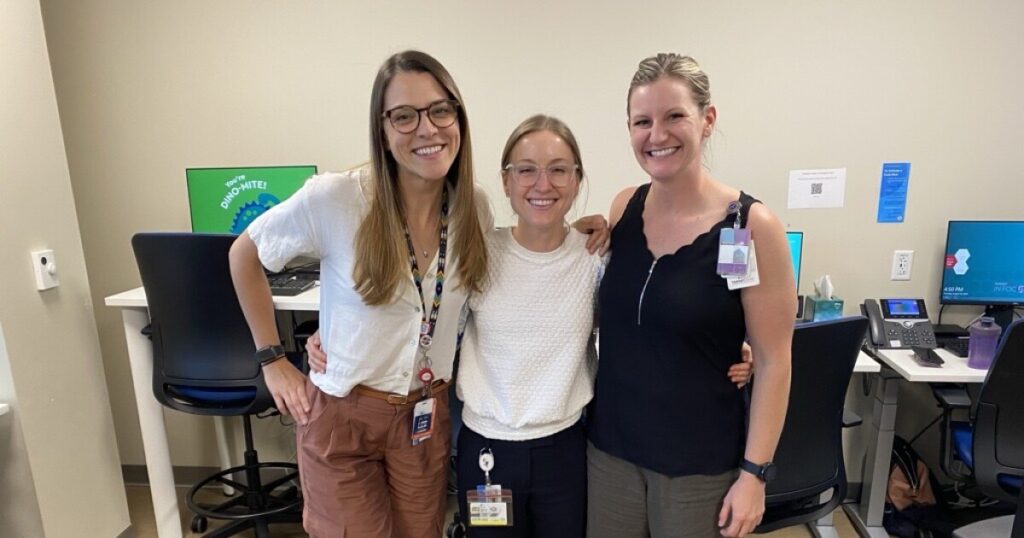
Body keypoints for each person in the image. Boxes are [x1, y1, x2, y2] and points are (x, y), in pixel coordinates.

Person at [308, 114, 754, 537]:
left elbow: (646, 314)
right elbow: (419, 314)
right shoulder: (476, 254)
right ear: (505, 180)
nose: (543, 184)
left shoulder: (596, 258)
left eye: (559, 170)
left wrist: (726, 347)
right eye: (526, 170)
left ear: (578, 179)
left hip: (566, 449)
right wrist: (330, 335)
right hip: (487, 451)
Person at [230, 51, 608, 538]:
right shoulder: (338, 198)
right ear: (383, 130)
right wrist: (272, 358)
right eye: (404, 116)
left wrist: (567, 233)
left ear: (457, 118)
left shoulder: (472, 209)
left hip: (422, 416)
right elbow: (244, 254)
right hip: (346, 413)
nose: (426, 129)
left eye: (439, 110)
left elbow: (521, 263)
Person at [586, 53, 796, 538]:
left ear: (707, 120)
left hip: (698, 469)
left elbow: (773, 361)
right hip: (610, 456)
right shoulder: (624, 206)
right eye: (642, 121)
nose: (656, 135)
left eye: (674, 116)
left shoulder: (747, 227)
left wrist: (754, 474)